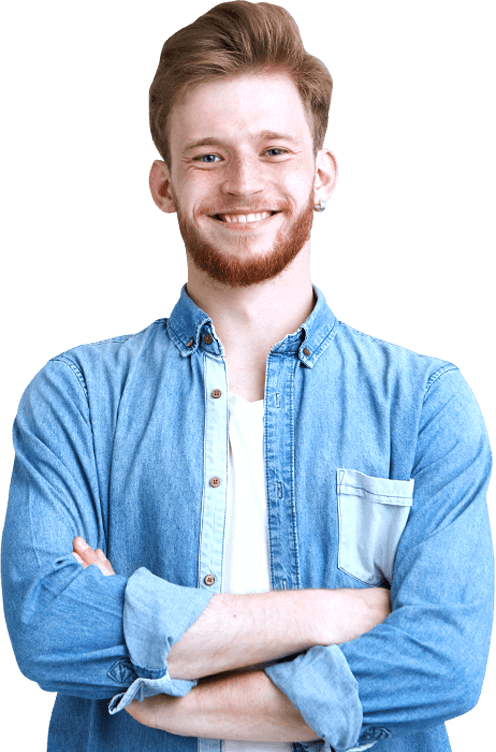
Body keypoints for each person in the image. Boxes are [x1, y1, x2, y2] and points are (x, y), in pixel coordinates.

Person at [1, 1, 493, 751]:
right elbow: (49, 628)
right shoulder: (78, 398)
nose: (242, 183)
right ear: (164, 186)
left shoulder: (425, 403)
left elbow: (444, 664)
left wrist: (167, 697)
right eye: (208, 156)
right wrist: (335, 614)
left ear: (322, 176)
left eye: (274, 151)